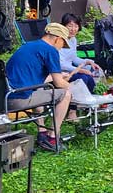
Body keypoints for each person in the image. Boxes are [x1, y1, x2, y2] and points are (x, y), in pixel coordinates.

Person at [6, 23, 73, 152]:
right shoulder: (50, 50)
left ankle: (42, 132)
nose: (62, 48)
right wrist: (72, 87)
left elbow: (35, 77)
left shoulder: (28, 46)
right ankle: (53, 137)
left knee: (40, 90)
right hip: (19, 99)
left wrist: (57, 77)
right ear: (58, 38)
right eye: (63, 44)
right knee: (66, 94)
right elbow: (59, 83)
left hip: (4, 96)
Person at [60, 13, 101, 93]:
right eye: (70, 26)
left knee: (90, 75)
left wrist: (88, 62)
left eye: (76, 26)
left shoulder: (73, 39)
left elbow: (74, 58)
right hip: (61, 73)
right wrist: (79, 70)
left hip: (71, 70)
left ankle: (92, 99)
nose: (73, 29)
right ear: (63, 26)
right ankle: (76, 101)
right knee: (83, 78)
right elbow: (61, 65)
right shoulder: (59, 41)